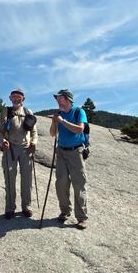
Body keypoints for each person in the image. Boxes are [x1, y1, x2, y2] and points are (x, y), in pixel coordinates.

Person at [49, 89, 89, 230]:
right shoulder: (59, 114)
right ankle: (65, 211)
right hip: (61, 152)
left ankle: (82, 217)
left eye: (60, 98)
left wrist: (63, 121)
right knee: (61, 183)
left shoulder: (79, 112)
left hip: (75, 152)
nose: (58, 101)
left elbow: (79, 129)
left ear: (68, 99)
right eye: (57, 99)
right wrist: (55, 122)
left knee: (79, 184)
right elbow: (53, 134)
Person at [0, 88, 38, 219]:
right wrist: (3, 140)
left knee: (27, 180)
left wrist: (34, 142)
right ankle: (10, 208)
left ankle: (26, 206)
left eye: (18, 97)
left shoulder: (28, 112)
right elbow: (0, 131)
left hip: (26, 149)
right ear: (10, 98)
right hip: (10, 148)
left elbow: (34, 131)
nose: (16, 98)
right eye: (13, 96)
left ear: (23, 99)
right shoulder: (6, 111)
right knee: (10, 179)